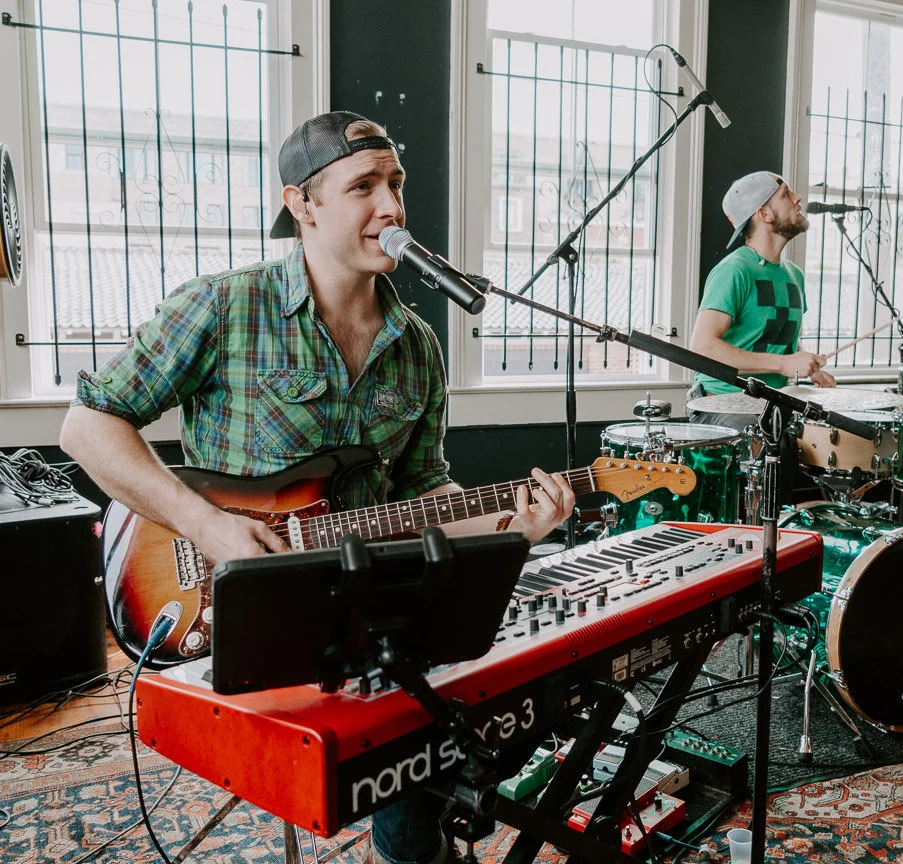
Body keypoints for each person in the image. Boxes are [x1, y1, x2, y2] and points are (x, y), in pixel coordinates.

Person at [59, 111, 574, 864]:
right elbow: (87, 428)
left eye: (395, 184)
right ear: (301, 203)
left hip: (372, 596)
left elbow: (425, 490)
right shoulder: (223, 305)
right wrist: (206, 527)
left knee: (499, 669)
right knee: (420, 696)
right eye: (363, 186)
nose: (392, 207)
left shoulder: (418, 346)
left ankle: (411, 846)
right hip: (244, 599)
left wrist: (511, 528)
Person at [687, 171, 836, 511]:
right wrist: (785, 363)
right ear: (764, 214)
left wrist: (806, 364)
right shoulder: (734, 271)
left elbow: (774, 345)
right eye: (787, 194)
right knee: (777, 445)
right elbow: (703, 347)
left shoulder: (793, 275)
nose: (799, 199)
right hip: (722, 407)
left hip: (771, 405)